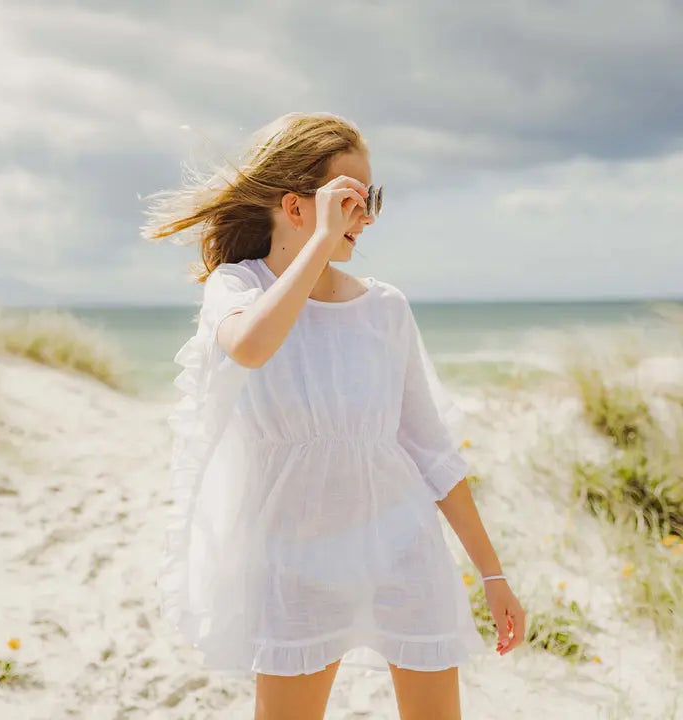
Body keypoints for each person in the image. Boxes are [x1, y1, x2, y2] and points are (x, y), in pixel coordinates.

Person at [140, 111, 525, 720]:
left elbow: (430, 450)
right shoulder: (235, 289)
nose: (366, 216)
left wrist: (493, 574)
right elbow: (251, 348)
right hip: (294, 563)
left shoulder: (385, 309)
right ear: (296, 208)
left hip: (404, 550)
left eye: (373, 198)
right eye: (352, 198)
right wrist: (320, 244)